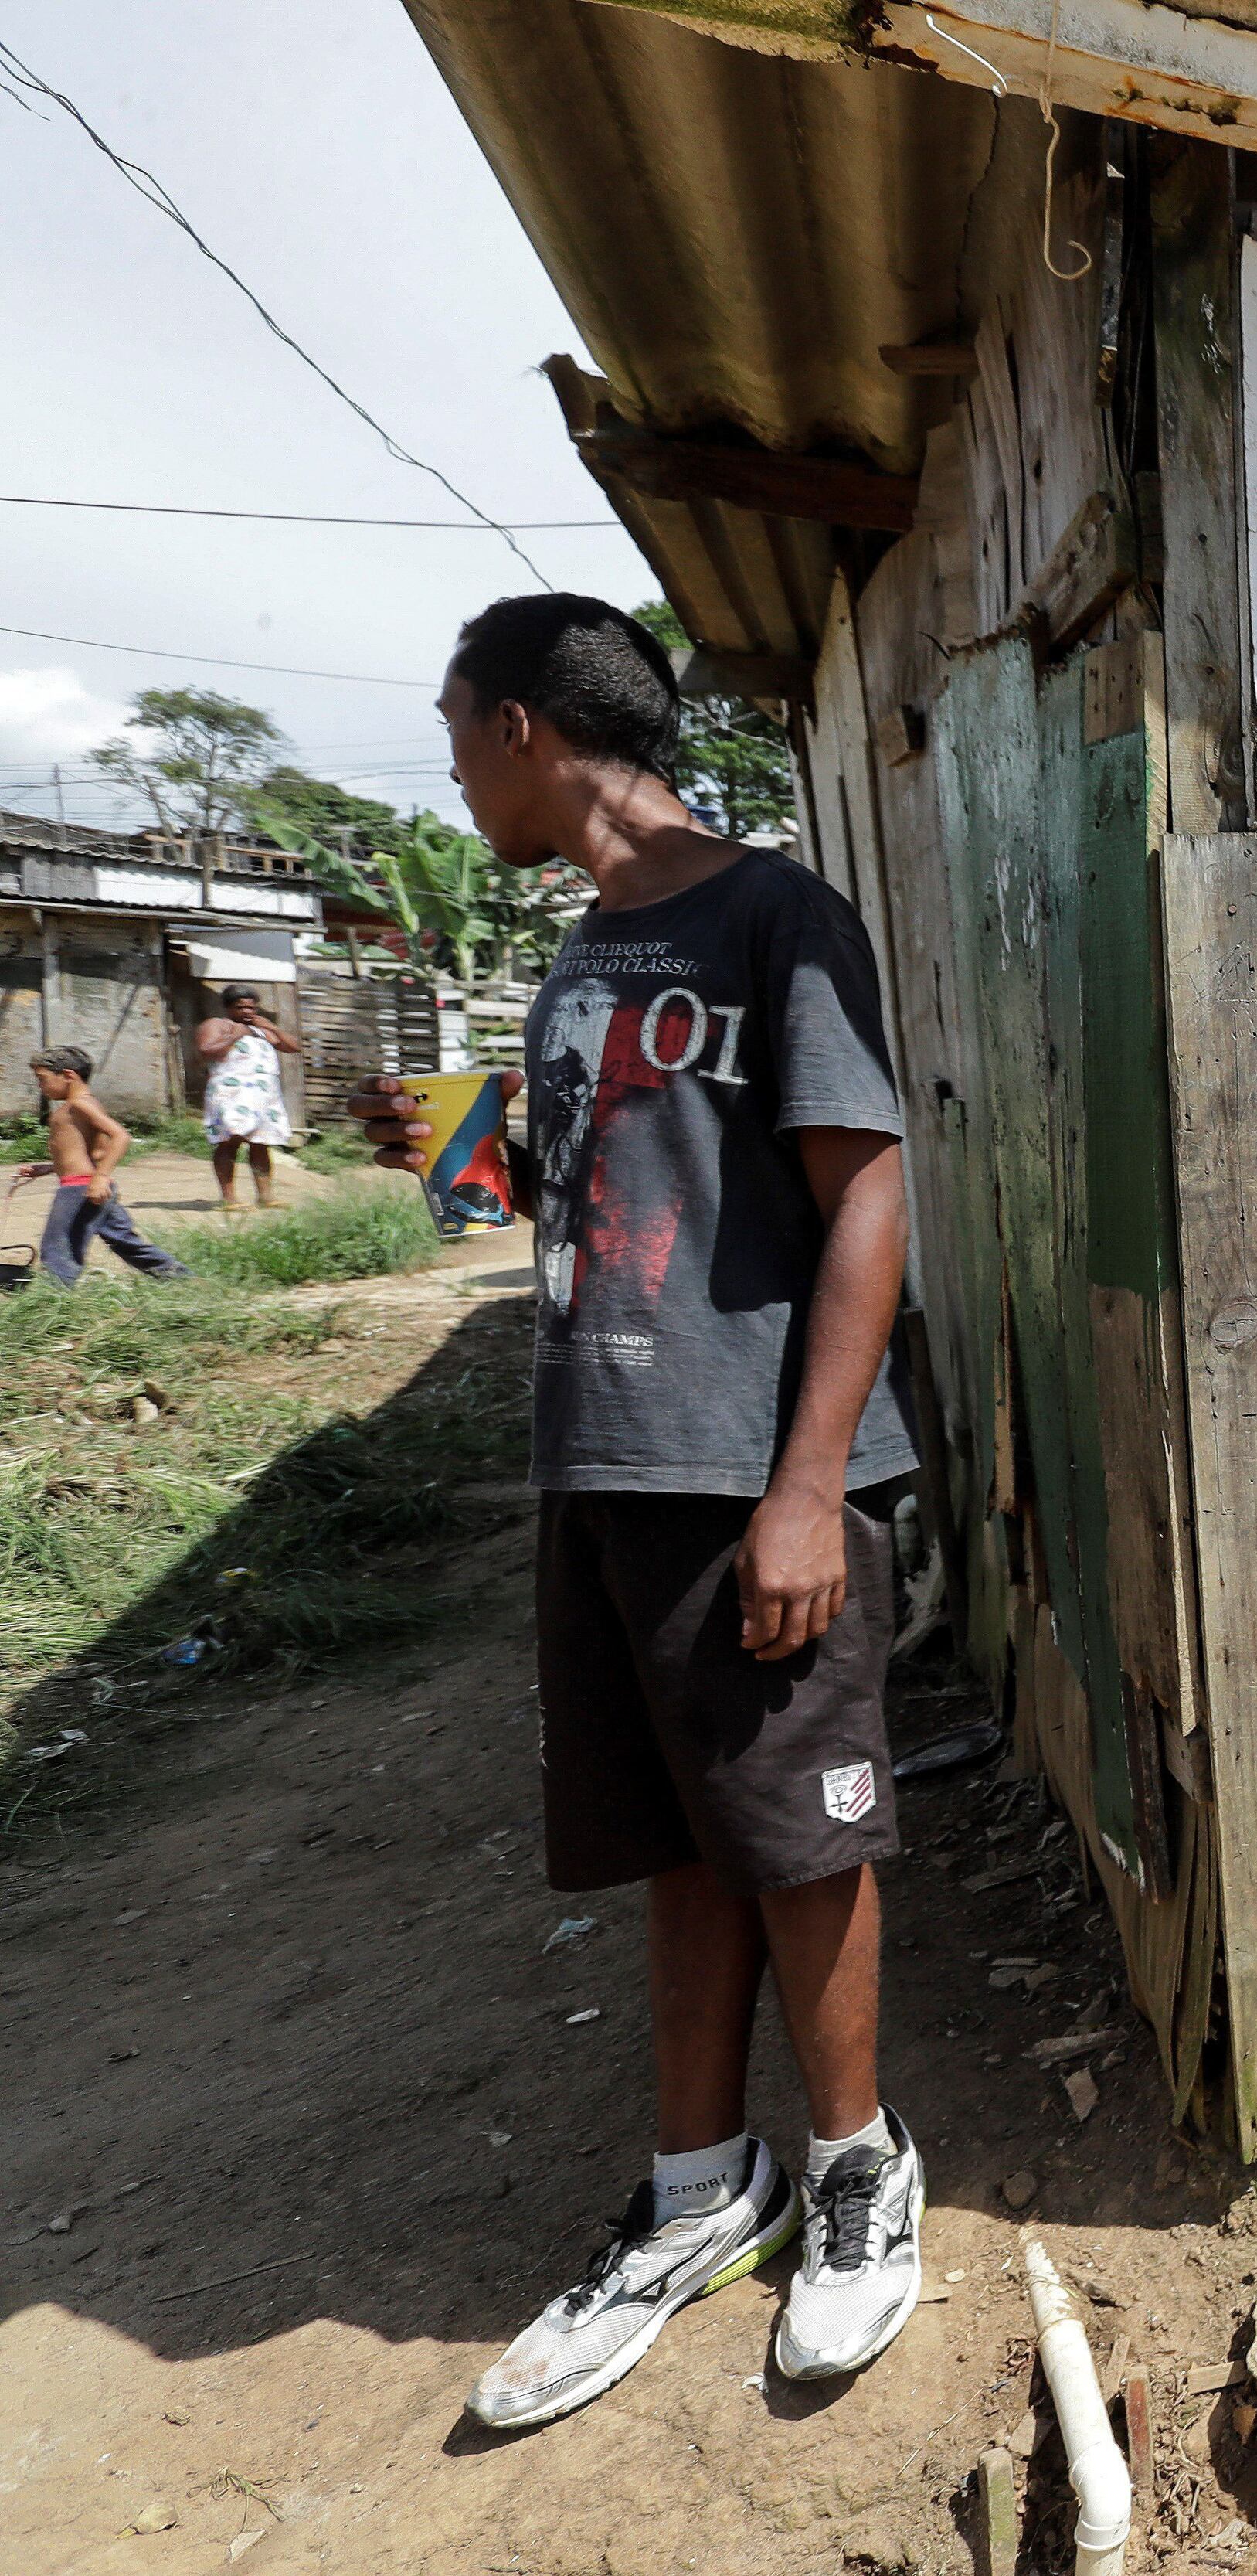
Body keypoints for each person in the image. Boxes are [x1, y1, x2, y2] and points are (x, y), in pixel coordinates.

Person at [348, 594, 925, 2428]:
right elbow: (621, 1188)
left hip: (747, 1479)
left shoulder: (772, 915)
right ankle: (702, 2191)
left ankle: (856, 2174)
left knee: (800, 1847)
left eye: (453, 730)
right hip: (601, 1470)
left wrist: (809, 1485)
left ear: (525, 724)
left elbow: (869, 1195)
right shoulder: (579, 950)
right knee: (684, 1839)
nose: (447, 768)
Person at [19, 1046, 192, 1285]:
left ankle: (55, 1295)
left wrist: (101, 1177)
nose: (40, 1086)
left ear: (69, 1075)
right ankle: (180, 1277)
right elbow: (89, 1152)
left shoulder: (80, 1104)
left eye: (42, 1079)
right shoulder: (75, 1106)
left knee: (59, 1244)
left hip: (80, 1189)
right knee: (124, 1241)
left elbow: (121, 1136)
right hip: (89, 1186)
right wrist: (49, 1168)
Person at [192, 985, 306, 1208]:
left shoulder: (260, 1029)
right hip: (231, 1093)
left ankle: (266, 1197)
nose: (246, 1012)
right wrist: (234, 1035)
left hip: (262, 1095)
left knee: (261, 1143)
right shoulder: (217, 1025)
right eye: (240, 1007)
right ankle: (229, 1199)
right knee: (230, 1143)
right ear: (228, 1007)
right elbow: (206, 1051)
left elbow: (294, 1047)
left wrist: (271, 1026)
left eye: (251, 1008)